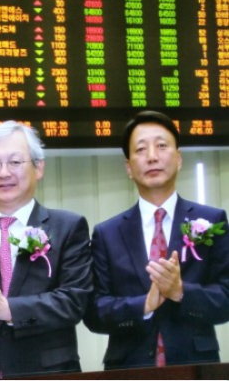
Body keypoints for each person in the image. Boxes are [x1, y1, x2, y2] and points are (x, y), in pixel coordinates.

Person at [0, 120, 92, 379]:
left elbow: (74, 301)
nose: (3, 173)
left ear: (39, 167)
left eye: (14, 162)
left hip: (48, 373)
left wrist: (8, 309)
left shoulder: (68, 227)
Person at [85, 110, 229, 369]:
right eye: (141, 149)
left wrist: (180, 291)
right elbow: (94, 311)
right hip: (128, 369)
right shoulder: (107, 233)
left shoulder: (212, 220)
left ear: (179, 158)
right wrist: (143, 305)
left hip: (195, 367)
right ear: (129, 168)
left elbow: (226, 298)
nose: (152, 156)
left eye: (161, 146)